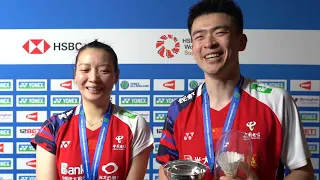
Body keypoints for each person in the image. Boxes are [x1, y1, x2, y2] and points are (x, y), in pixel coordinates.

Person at [156, 0, 314, 180]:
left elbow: (304, 172)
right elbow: (166, 169)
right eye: (199, 36)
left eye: (220, 32)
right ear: (192, 47)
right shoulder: (178, 109)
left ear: (241, 41)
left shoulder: (277, 101)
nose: (209, 43)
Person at [30, 40, 154, 180]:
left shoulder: (135, 125)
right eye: (85, 70)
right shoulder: (53, 127)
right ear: (75, 75)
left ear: (116, 76)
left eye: (104, 71)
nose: (94, 78)